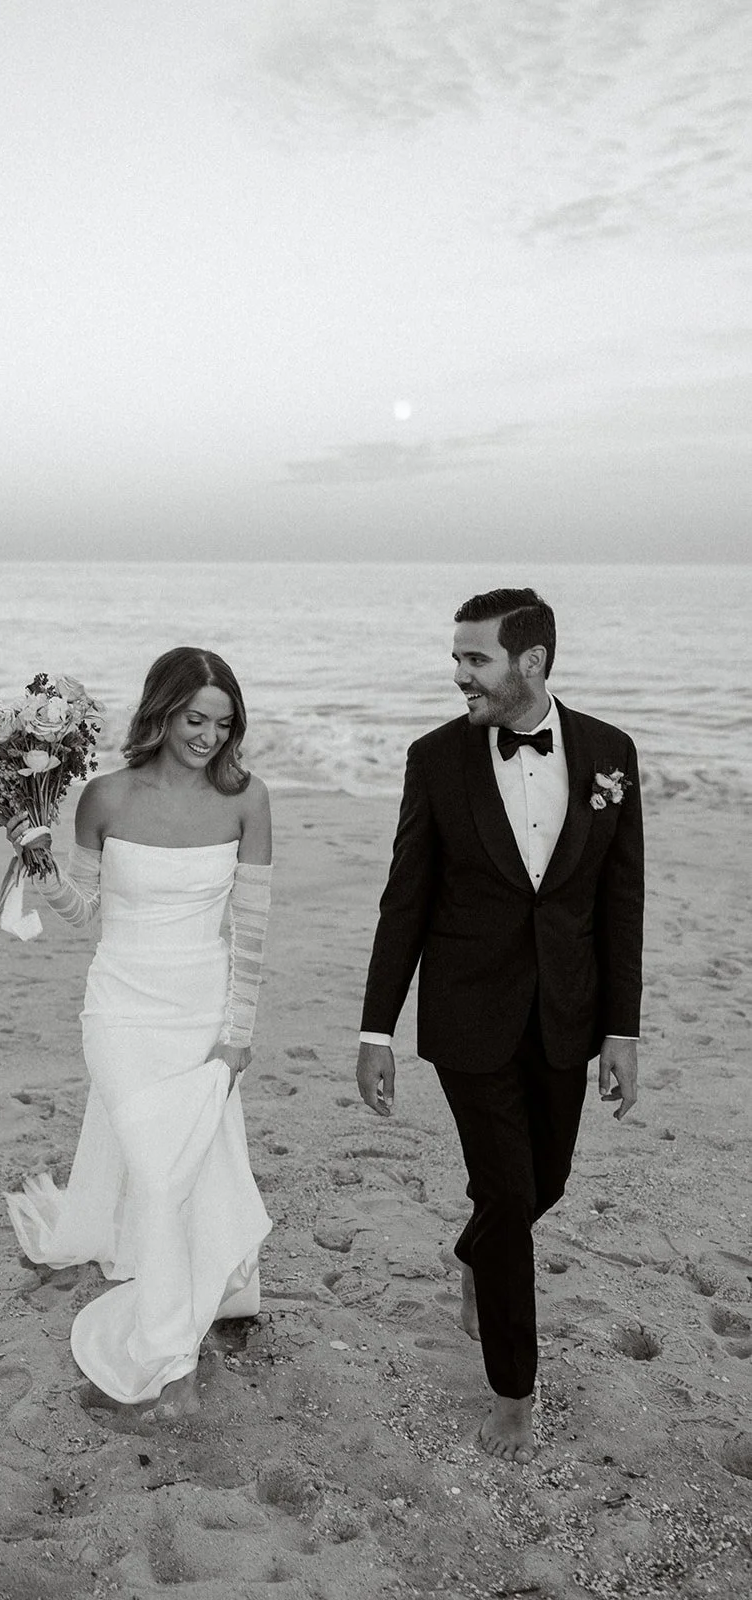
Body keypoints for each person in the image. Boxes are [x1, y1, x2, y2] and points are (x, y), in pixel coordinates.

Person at [356, 588, 643, 1464]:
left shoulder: (608, 753)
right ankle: (511, 1391)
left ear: (531, 662)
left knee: (540, 1183)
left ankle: (473, 1253)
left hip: (566, 1012)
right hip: (468, 1012)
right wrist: (376, 1029)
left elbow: (620, 897)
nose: (458, 676)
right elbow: (404, 896)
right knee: (511, 1196)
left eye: (474, 659)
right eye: (456, 658)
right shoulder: (434, 759)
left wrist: (622, 1031)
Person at [4, 646, 273, 1417]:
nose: (209, 737)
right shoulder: (104, 797)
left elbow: (251, 933)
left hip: (201, 1011)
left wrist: (237, 1034)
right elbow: (86, 915)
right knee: (157, 1176)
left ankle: (189, 1314)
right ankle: (170, 1368)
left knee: (187, 1171)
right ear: (161, 713)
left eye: (224, 723)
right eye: (195, 719)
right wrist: (37, 861)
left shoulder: (246, 800)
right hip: (121, 1007)